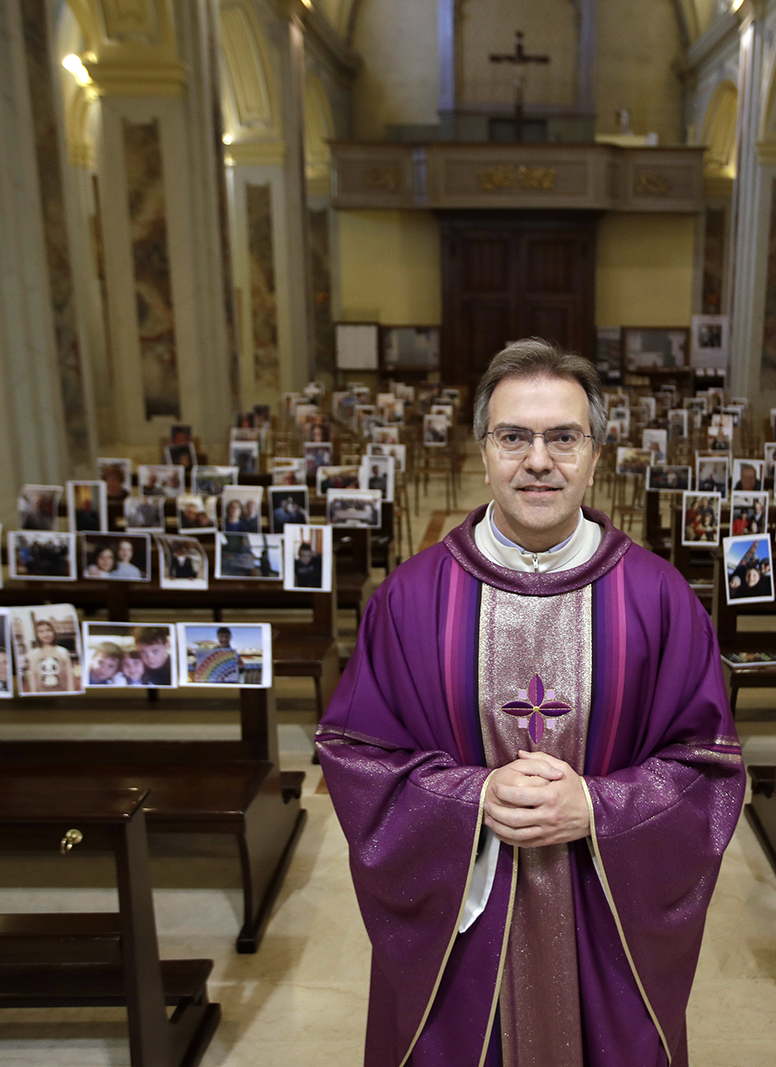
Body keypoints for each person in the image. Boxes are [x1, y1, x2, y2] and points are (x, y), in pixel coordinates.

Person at [315, 339, 744, 1067]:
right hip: (464, 932)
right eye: (514, 436)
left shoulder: (661, 599)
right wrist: (469, 797)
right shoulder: (410, 601)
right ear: (482, 453)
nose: (538, 460)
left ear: (595, 455)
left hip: (605, 929)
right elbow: (357, 757)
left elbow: (709, 768)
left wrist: (601, 808)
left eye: (563, 437)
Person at [26, 617, 75, 693]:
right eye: (41, 631)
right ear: (37, 634)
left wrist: (71, 692)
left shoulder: (62, 651)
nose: (45, 634)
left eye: (48, 630)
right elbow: (33, 677)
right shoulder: (33, 654)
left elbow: (69, 675)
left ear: (53, 632)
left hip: (61, 692)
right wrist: (33, 693)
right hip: (42, 694)